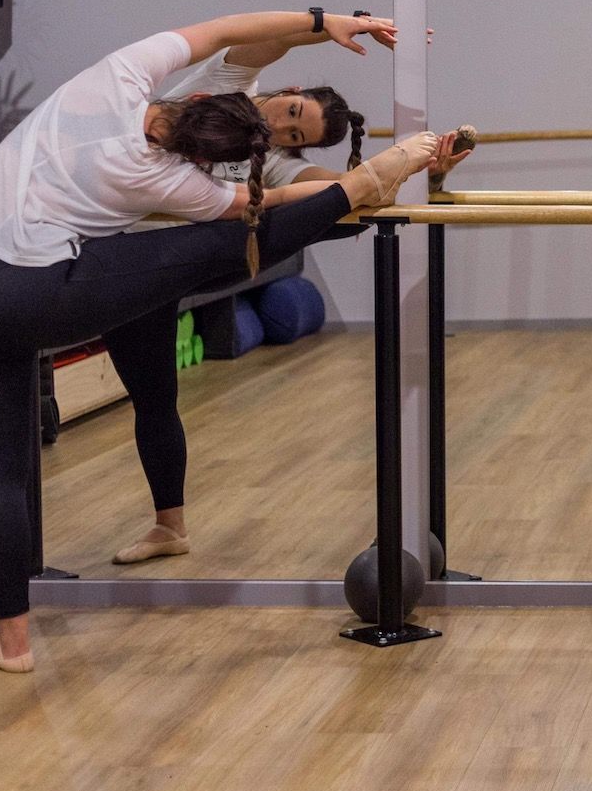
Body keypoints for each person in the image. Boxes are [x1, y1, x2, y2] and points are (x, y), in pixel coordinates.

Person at [0, 10, 439, 672]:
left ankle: (10, 642)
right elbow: (255, 223)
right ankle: (366, 179)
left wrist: (323, 19)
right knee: (222, 248)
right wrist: (365, 185)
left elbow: (220, 29)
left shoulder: (116, 77)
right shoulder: (177, 183)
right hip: (37, 295)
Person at [105, 35, 473, 567]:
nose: (280, 127)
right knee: (148, 395)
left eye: (295, 133)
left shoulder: (268, 162)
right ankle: (166, 528)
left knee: (334, 215)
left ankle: (169, 526)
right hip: (114, 250)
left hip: (163, 262)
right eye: (291, 111)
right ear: (289, 90)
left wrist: (425, 175)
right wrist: (326, 23)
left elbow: (345, 191)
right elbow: (261, 40)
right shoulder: (225, 87)